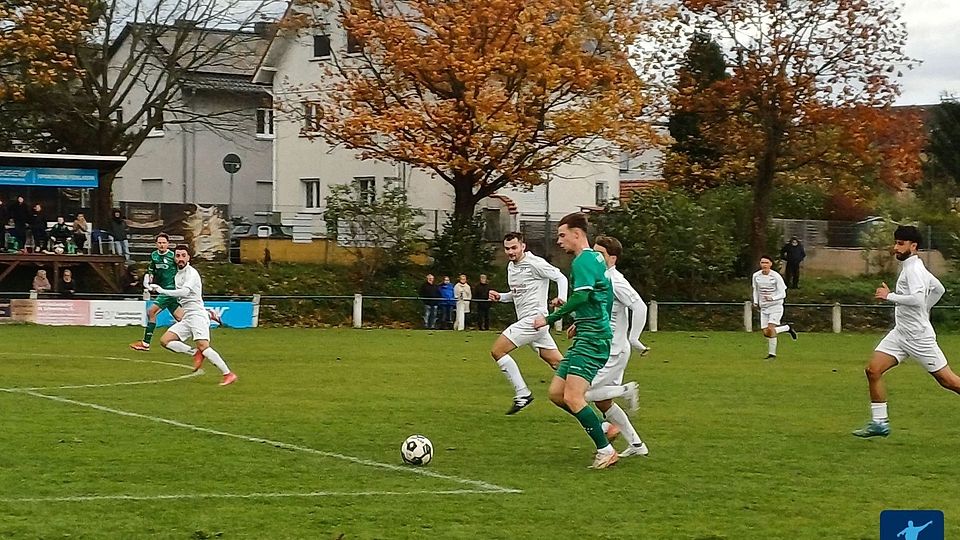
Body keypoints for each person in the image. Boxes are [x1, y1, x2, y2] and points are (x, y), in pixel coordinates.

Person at [852, 225, 960, 438]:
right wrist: (925, 309)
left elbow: (917, 299)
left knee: (949, 382)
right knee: (873, 370)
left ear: (914, 246)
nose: (896, 248)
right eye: (896, 243)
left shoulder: (914, 270)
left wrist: (889, 296)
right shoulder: (914, 266)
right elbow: (939, 289)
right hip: (900, 333)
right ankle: (879, 423)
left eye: (901, 244)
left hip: (918, 337)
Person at [532, 212, 618, 469]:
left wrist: (550, 318)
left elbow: (582, 297)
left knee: (572, 396)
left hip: (592, 339)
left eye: (562, 235)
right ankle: (602, 428)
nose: (559, 241)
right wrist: (579, 320)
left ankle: (606, 450)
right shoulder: (595, 259)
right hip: (588, 334)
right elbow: (604, 297)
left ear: (577, 234)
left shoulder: (584, 261)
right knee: (556, 394)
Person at [488, 232, 568, 415]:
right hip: (531, 323)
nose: (510, 252)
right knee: (559, 364)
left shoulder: (534, 263)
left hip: (534, 320)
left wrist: (562, 298)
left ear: (523, 246)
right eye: (507, 248)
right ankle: (597, 390)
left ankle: (523, 393)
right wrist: (501, 297)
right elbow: (517, 294)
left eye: (514, 248)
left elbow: (560, 277)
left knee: (497, 351)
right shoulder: (511, 267)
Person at [584, 235, 649, 458]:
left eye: (600, 254)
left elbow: (639, 306)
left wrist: (634, 338)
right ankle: (637, 445)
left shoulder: (616, 281)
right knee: (603, 402)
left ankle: (625, 390)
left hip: (613, 350)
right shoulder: (601, 277)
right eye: (594, 252)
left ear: (612, 259)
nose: (595, 257)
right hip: (606, 347)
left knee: (577, 393)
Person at [150, 245, 237, 386]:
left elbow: (185, 292)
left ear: (188, 257)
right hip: (188, 316)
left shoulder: (191, 273)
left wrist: (162, 291)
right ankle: (195, 353)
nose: (180, 258)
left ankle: (228, 374)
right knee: (165, 341)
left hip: (197, 315)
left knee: (204, 346)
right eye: (178, 256)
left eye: (183, 255)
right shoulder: (178, 274)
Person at [131, 233, 222, 350]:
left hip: (171, 290)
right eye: (159, 243)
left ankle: (145, 343)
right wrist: (148, 278)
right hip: (167, 290)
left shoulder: (173, 256)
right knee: (181, 318)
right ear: (156, 244)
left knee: (151, 311)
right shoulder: (154, 255)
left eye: (164, 243)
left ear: (168, 244)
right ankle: (208, 315)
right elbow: (152, 269)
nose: (162, 245)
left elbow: (182, 266)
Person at [751, 255, 797, 359]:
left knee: (771, 329)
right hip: (764, 307)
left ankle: (772, 354)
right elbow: (755, 290)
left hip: (775, 306)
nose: (764, 265)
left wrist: (772, 298)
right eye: (762, 262)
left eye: (766, 263)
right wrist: (756, 302)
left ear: (771, 264)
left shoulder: (776, 276)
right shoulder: (756, 276)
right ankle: (787, 328)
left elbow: (783, 294)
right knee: (766, 332)